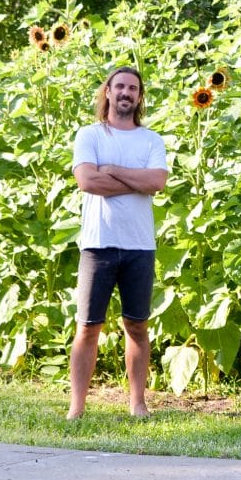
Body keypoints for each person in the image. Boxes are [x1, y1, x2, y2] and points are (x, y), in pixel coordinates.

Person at [67, 66, 168, 419]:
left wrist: (112, 170)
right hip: (98, 244)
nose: (126, 93)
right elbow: (87, 182)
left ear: (139, 97)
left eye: (133, 88)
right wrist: (136, 182)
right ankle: (76, 409)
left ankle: (138, 404)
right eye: (120, 86)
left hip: (140, 246)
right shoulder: (90, 135)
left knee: (137, 326)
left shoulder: (151, 141)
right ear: (107, 92)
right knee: (87, 327)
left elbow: (158, 181)